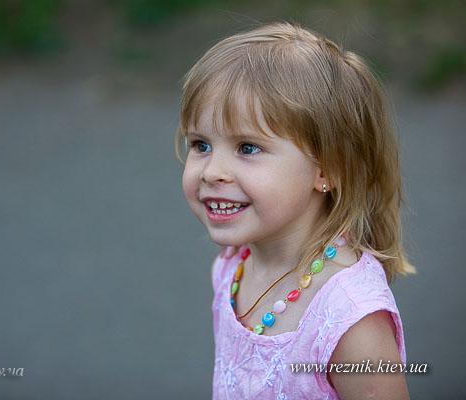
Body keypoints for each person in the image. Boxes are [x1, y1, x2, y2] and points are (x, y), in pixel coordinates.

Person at [175, 21, 416, 399]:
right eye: (201, 144)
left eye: (248, 148)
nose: (212, 171)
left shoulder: (349, 317)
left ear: (329, 169)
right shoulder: (232, 266)